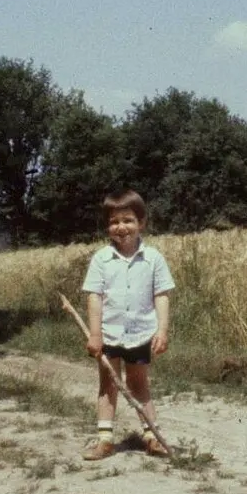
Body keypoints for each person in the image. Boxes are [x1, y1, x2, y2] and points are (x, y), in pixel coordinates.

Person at [80, 190, 174, 460]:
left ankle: (151, 436)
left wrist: (162, 330)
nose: (121, 227)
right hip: (109, 334)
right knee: (108, 384)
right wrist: (95, 334)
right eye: (114, 222)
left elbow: (162, 295)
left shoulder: (153, 258)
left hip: (141, 333)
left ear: (141, 223)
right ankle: (105, 440)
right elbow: (94, 297)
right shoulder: (101, 259)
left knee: (139, 383)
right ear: (107, 227)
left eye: (128, 220)